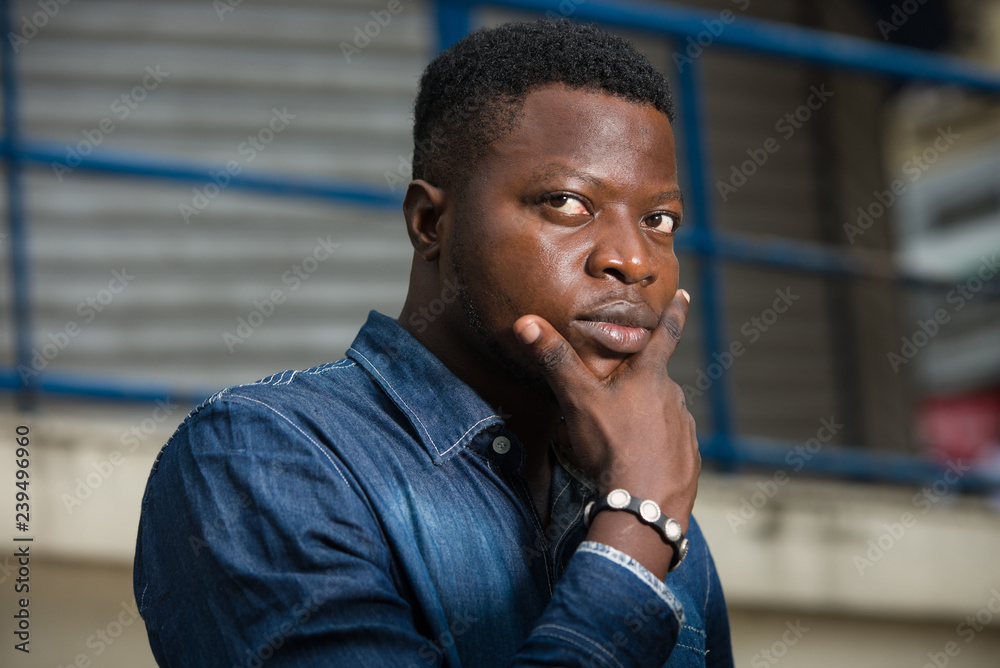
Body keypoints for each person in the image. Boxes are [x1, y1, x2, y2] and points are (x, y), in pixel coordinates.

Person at [134, 19, 734, 668]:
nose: (632, 260)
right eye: (566, 202)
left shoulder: (645, 484)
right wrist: (634, 542)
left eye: (660, 220)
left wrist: (637, 512)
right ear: (429, 224)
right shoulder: (258, 457)